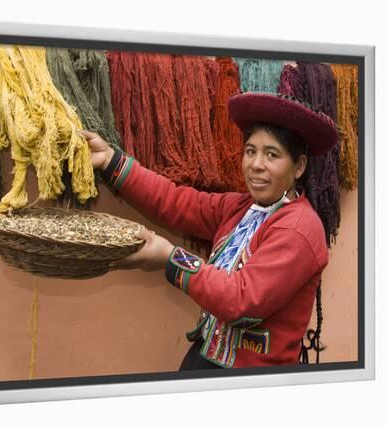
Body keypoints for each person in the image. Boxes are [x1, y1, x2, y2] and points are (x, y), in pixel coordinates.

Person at [78, 92, 338, 369]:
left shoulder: (300, 228)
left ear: (299, 166)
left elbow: (241, 299)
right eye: (250, 151)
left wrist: (171, 259)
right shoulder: (240, 208)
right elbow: (174, 201)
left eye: (271, 154)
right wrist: (109, 160)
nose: (256, 164)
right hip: (205, 356)